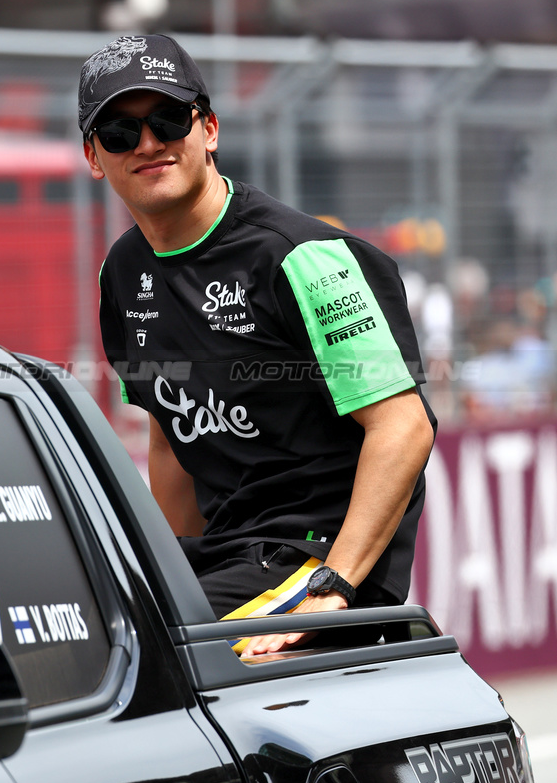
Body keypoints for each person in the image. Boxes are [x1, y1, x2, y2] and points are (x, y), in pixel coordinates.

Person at [87, 35, 436, 655]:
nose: (147, 143)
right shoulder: (121, 273)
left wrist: (335, 587)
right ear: (94, 156)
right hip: (227, 557)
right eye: (118, 132)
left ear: (209, 129)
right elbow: (171, 442)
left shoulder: (307, 257)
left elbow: (403, 428)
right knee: (83, 630)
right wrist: (163, 575)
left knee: (156, 662)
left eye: (168, 119)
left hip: (318, 553)